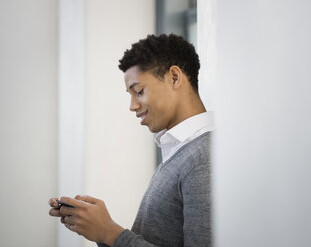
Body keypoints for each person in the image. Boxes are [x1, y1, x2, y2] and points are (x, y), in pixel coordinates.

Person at [48, 34, 213, 247]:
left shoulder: (202, 159)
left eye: (139, 91)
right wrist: (101, 230)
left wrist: (109, 232)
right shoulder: (181, 150)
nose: (132, 106)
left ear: (174, 77)